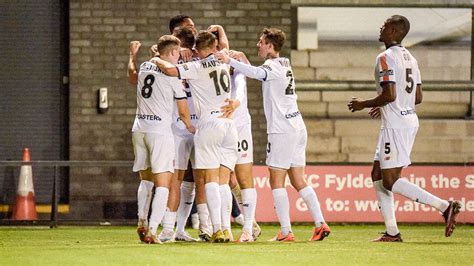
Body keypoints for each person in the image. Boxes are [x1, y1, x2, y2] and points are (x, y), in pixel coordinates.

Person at [347, 15, 461, 242]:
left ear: (394, 32)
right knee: (377, 174)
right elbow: (417, 97)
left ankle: (444, 206)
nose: (381, 27)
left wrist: (363, 104)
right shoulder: (411, 59)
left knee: (389, 180)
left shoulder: (385, 58)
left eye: (386, 25)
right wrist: (385, 107)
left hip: (396, 125)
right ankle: (391, 232)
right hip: (405, 120)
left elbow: (389, 94)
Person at [217, 27, 330, 242]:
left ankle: (286, 232)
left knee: (276, 181)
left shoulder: (271, 66)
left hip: (282, 130)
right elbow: (261, 74)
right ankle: (320, 223)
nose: (258, 44)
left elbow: (259, 73)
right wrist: (242, 59)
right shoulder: (284, 63)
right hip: (297, 126)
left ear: (270, 45)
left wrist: (229, 60)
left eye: (261, 42)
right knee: (298, 179)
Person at [151, 31, 238, 243]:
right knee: (223, 181)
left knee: (209, 180)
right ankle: (227, 228)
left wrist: (155, 57)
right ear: (215, 46)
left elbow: (171, 70)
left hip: (208, 124)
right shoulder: (224, 63)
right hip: (229, 124)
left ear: (197, 50)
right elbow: (222, 48)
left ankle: (216, 228)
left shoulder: (197, 67)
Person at [132, 35, 194, 244]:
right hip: (159, 131)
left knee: (146, 179)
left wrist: (134, 56)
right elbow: (183, 111)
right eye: (178, 53)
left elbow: (135, 75)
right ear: (173, 52)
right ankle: (152, 230)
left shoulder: (144, 66)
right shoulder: (173, 76)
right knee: (164, 182)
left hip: (139, 128)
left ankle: (141, 220)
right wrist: (191, 126)